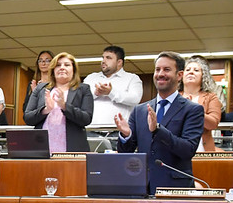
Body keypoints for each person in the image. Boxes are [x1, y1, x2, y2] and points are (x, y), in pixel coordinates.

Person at [115, 51, 204, 194]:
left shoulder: (193, 109)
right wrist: (126, 135)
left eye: (167, 70)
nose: (160, 74)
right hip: (143, 187)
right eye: (157, 69)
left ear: (179, 75)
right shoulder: (139, 110)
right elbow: (126, 153)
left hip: (175, 189)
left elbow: (187, 150)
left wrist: (157, 129)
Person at [24, 52, 94, 152]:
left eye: (67, 65)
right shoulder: (40, 89)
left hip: (72, 149)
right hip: (42, 149)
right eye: (57, 65)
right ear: (53, 70)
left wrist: (64, 106)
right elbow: (28, 118)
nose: (62, 67)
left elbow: (86, 119)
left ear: (73, 70)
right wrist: (46, 110)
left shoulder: (83, 89)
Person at [83, 45, 143, 125]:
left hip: (118, 131)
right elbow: (80, 99)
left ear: (119, 62)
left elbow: (135, 99)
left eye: (108, 58)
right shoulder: (91, 78)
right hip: (91, 131)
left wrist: (111, 92)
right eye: (103, 58)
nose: (103, 61)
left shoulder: (132, 78)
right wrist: (95, 93)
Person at [179, 56, 222, 152]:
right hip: (178, 151)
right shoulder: (174, 97)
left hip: (202, 151)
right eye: (188, 70)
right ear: (181, 75)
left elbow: (213, 124)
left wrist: (193, 109)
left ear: (203, 76)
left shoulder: (211, 97)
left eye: (196, 70)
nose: (191, 72)